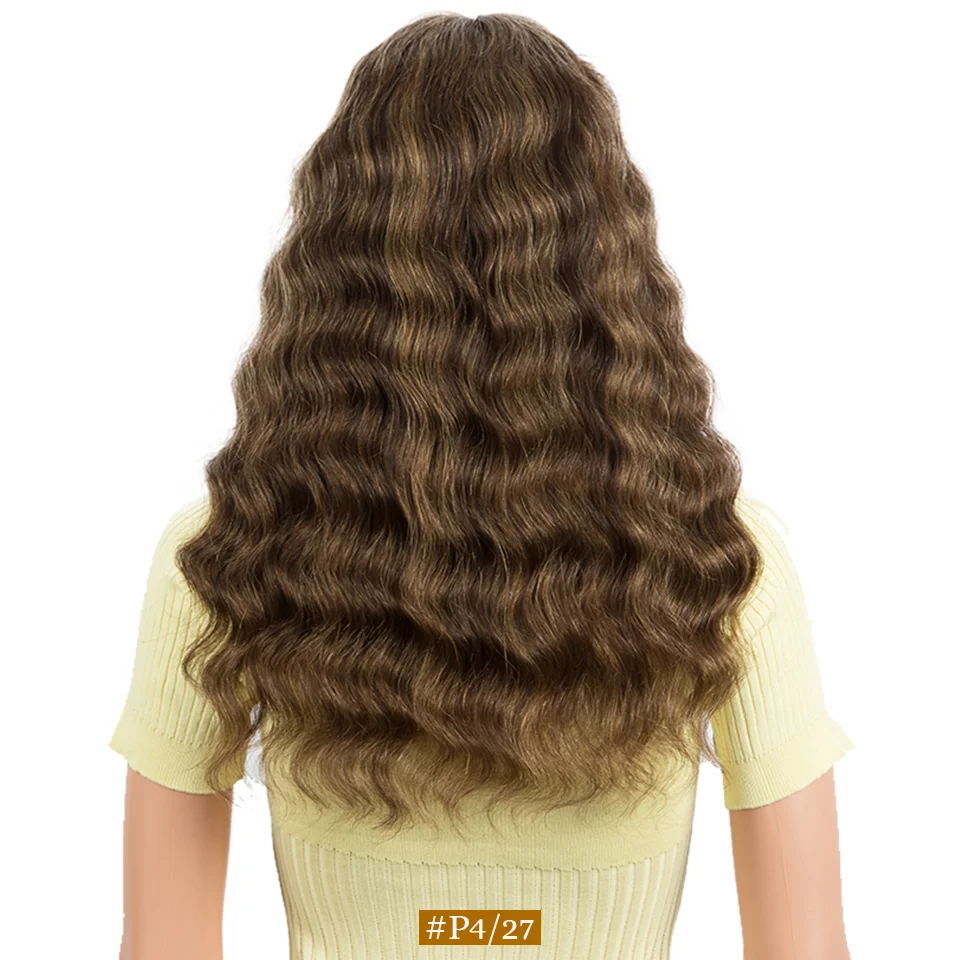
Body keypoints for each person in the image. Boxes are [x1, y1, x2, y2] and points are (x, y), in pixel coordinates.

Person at [108, 13, 854, 960]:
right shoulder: (716, 556)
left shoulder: (229, 551)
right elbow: (806, 945)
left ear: (335, 263)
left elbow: (163, 945)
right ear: (604, 255)